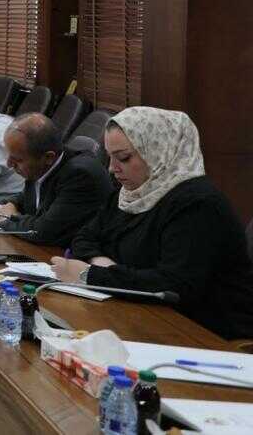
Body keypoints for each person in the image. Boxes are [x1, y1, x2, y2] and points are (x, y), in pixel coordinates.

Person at [52, 107, 253, 340]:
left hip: (204, 332)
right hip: (141, 313)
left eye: (124, 158)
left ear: (159, 151)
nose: (112, 168)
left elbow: (173, 285)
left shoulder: (198, 204)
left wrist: (91, 275)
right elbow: (84, 237)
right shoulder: (130, 193)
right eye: (110, 157)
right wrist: (101, 263)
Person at [0, 113, 113, 247]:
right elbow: (26, 198)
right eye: (9, 156)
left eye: (17, 160)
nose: (9, 164)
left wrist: (6, 217)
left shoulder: (80, 176)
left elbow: (43, 231)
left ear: (48, 157)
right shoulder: (40, 166)